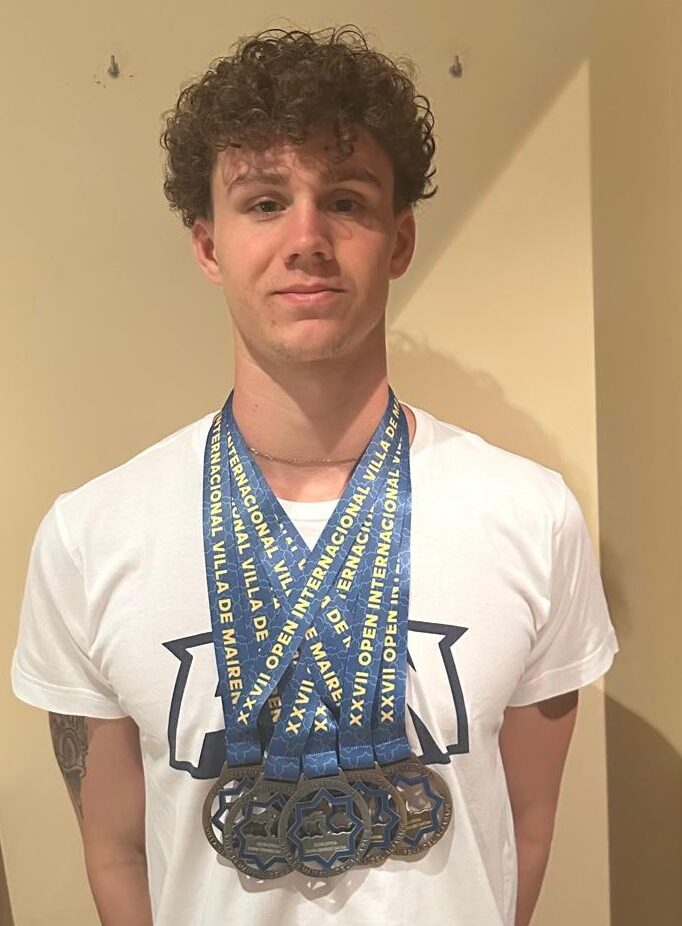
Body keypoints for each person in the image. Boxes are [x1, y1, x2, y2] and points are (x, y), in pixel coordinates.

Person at [11, 23, 619, 926]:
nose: (306, 238)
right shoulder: (88, 537)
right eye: (263, 202)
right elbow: (115, 850)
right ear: (208, 246)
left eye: (345, 200)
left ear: (398, 241)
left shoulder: (533, 515)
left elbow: (526, 827)